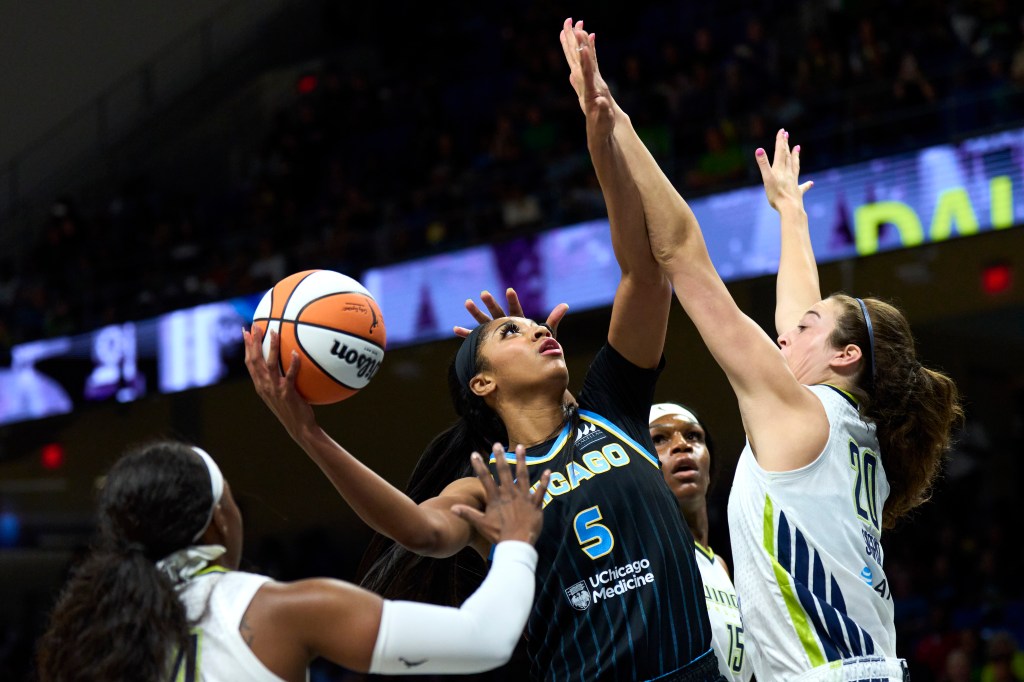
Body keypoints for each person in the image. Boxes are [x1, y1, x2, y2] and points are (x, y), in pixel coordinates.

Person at [245, 15, 722, 677]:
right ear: (482, 384)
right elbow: (417, 531)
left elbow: (646, 271)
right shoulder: (491, 488)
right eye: (511, 333)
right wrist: (309, 435)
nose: (536, 330)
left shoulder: (614, 408)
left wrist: (599, 134)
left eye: (535, 327)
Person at [560, 21, 962, 681]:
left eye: (807, 329)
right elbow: (799, 311)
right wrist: (790, 217)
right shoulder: (855, 427)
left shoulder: (800, 414)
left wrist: (612, 116)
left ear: (845, 358)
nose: (787, 333)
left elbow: (682, 250)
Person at [36, 439, 548, 681]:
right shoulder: (284, 611)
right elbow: (483, 639)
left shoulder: (89, 642)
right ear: (220, 519)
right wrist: (517, 542)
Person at [649, 403, 751, 682]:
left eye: (693, 436)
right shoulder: (643, 554)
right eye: (659, 439)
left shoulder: (720, 566)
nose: (681, 445)